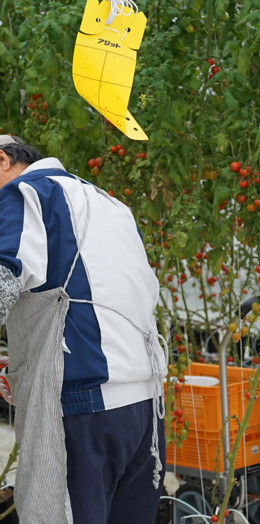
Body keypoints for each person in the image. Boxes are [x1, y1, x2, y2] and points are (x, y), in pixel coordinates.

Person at [0, 136, 167, 524]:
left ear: (3, 160)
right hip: (145, 412)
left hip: (83, 410)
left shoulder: (24, 194)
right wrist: (26, 364)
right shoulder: (110, 204)